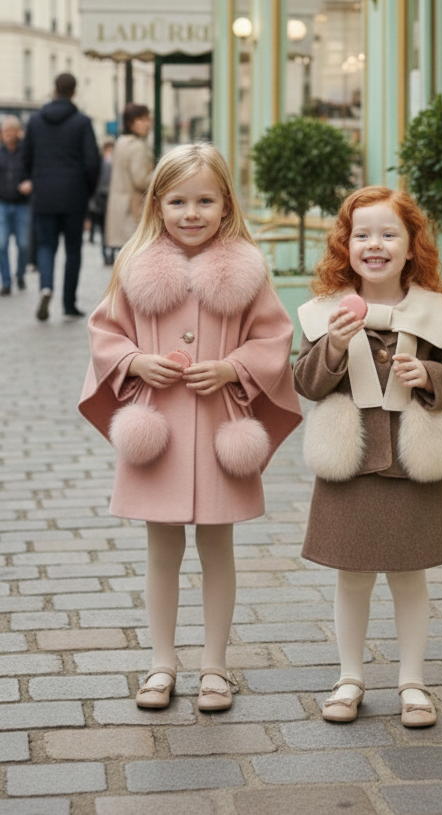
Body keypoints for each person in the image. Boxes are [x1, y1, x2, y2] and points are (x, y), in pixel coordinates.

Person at [79, 143, 302, 712]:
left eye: (205, 200)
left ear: (226, 204)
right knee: (161, 550)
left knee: (217, 547)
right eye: (178, 201)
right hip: (159, 427)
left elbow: (274, 338)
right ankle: (161, 663)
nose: (191, 213)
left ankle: (214, 666)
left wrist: (234, 367)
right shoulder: (136, 266)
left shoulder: (246, 270)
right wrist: (132, 360)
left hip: (219, 423)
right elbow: (106, 331)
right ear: (158, 202)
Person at [293, 185, 442, 729]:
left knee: (409, 575)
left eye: (389, 234)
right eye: (362, 234)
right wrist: (330, 345)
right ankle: (349, 677)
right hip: (351, 461)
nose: (375, 245)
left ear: (411, 244)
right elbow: (305, 381)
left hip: (409, 461)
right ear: (345, 244)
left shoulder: (436, 311)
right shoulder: (324, 311)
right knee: (351, 576)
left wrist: (430, 377)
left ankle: (412, 682)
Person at [21, 72, 101, 322]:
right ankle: (69, 303)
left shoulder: (35, 121)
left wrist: (35, 180)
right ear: (74, 91)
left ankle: (46, 286)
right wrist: (87, 190)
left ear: (54, 89)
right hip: (73, 195)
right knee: (73, 249)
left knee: (46, 245)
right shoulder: (82, 122)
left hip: (44, 194)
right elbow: (92, 162)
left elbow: (26, 157)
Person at [105, 104, 153, 257]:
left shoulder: (121, 142)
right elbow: (141, 180)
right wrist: (159, 175)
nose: (149, 123)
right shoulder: (137, 146)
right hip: (133, 209)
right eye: (143, 119)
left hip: (120, 208)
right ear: (131, 123)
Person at [0, 116, 31, 294]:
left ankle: (20, 274)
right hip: (2, 204)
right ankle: (6, 281)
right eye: (5, 131)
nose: (9, 135)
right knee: (1, 244)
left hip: (22, 205)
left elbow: (35, 172)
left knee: (23, 244)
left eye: (12, 131)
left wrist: (30, 183)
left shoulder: (26, 153)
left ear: (18, 132)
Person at [88, 140, 115, 263]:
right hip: (101, 198)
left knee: (112, 227)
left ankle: (112, 252)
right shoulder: (99, 163)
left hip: (112, 198)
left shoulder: (116, 164)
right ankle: (105, 253)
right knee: (104, 226)